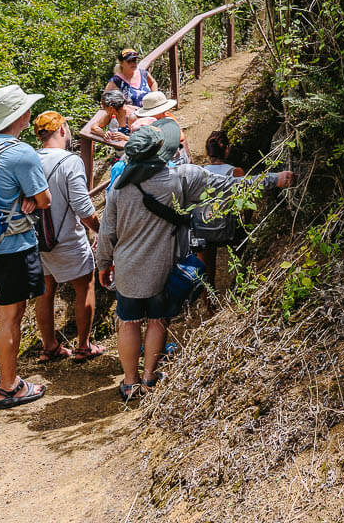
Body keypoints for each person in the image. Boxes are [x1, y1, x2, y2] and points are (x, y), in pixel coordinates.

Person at [96, 126, 292, 400]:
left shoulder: (119, 188)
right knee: (157, 320)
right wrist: (274, 179)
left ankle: (130, 383)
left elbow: (107, 232)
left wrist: (103, 264)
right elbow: (232, 185)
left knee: (128, 323)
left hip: (128, 268)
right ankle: (150, 379)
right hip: (162, 267)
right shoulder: (183, 177)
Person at [0, 84, 50, 410]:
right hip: (12, 245)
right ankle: (9, 386)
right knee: (10, 315)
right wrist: (30, 197)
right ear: (22, 115)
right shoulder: (21, 153)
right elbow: (45, 199)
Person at [32, 112, 104, 363]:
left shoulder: (30, 160)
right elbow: (83, 207)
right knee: (85, 286)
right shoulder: (70, 161)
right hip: (67, 240)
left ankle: (49, 346)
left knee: (45, 291)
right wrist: (100, 230)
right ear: (62, 130)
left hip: (38, 239)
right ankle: (84, 346)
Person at [191, 130, 245, 274]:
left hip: (204, 228)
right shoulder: (236, 172)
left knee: (205, 269)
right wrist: (246, 225)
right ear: (227, 149)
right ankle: (239, 283)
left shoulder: (199, 172)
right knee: (240, 254)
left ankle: (207, 295)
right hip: (229, 229)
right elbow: (245, 202)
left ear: (208, 152)